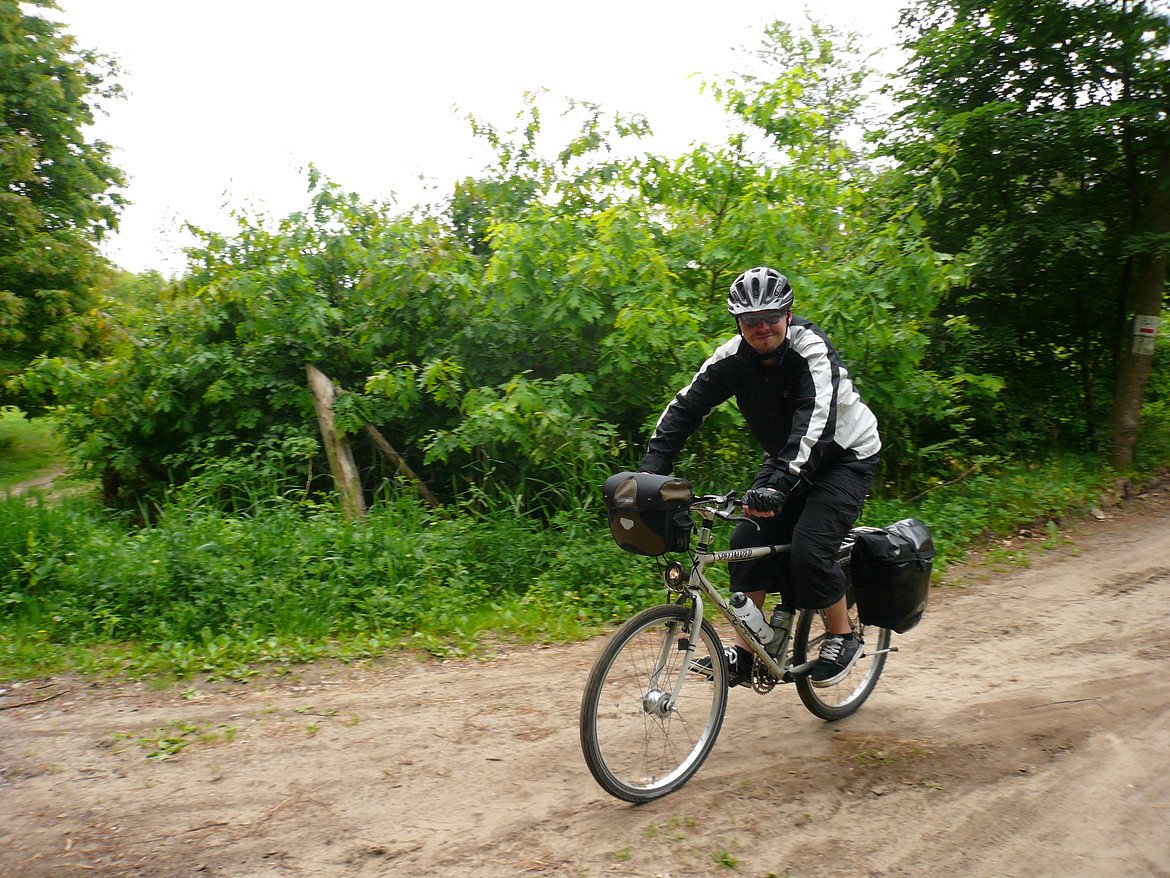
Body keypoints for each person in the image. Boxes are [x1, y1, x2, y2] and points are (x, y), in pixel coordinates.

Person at [639, 266, 881, 688]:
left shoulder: (811, 350)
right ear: (739, 322)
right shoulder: (731, 359)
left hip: (845, 456)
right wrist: (648, 475)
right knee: (745, 542)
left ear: (788, 314)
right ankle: (748, 652)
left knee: (810, 547)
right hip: (787, 456)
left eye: (771, 316)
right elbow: (684, 409)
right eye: (751, 320)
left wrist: (778, 484)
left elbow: (815, 420)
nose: (762, 327)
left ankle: (842, 635)